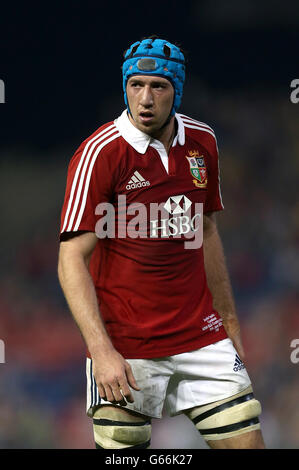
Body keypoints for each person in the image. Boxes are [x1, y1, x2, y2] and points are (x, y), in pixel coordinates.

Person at [58, 35, 265, 449]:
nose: (145, 98)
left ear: (177, 91)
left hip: (201, 337)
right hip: (126, 346)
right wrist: (100, 351)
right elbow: (71, 257)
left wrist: (228, 321)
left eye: (158, 87)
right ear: (125, 88)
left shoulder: (203, 142)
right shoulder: (99, 153)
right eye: (136, 85)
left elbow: (205, 231)